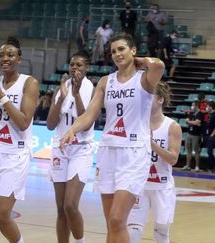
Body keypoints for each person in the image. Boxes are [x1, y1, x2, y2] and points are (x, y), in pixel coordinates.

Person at [61, 33, 165, 243]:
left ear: (133, 51)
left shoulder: (144, 78)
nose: (117, 54)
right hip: (109, 151)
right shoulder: (105, 81)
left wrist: (141, 61)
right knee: (111, 223)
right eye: (114, 51)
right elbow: (90, 114)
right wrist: (73, 128)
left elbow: (159, 65)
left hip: (134, 152)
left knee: (118, 219)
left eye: (122, 49)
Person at [0, 36, 39, 243]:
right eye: (2, 55)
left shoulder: (29, 83)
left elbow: (23, 122)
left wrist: (1, 95)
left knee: (1, 215)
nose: (6, 58)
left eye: (11, 55)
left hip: (15, 155)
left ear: (19, 59)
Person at [46, 50, 94, 243]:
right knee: (60, 208)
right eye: (72, 65)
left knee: (70, 206)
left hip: (81, 148)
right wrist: (61, 97)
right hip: (60, 148)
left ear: (87, 68)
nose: (75, 68)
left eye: (79, 65)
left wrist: (76, 95)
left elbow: (87, 124)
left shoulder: (91, 88)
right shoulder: (62, 87)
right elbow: (50, 124)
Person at [127, 81, 182, 243]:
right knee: (133, 230)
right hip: (140, 186)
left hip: (162, 186)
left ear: (160, 100)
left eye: (150, 96)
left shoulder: (172, 126)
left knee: (161, 231)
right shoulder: (136, 123)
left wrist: (152, 144)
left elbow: (173, 159)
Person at [182, 101, 203, 172]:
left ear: (197, 106)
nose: (192, 106)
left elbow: (197, 122)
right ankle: (188, 165)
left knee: (196, 151)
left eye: (193, 105)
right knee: (188, 150)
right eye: (192, 105)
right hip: (189, 134)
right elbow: (187, 120)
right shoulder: (191, 113)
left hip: (196, 135)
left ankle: (197, 166)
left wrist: (191, 122)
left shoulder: (200, 114)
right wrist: (192, 122)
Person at [206, 102, 215, 173]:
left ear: (211, 107)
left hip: (212, 137)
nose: (207, 107)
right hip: (209, 136)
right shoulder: (210, 115)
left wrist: (212, 135)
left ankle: (211, 167)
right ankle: (211, 167)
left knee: (210, 152)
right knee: (209, 152)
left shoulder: (214, 115)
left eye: (208, 106)